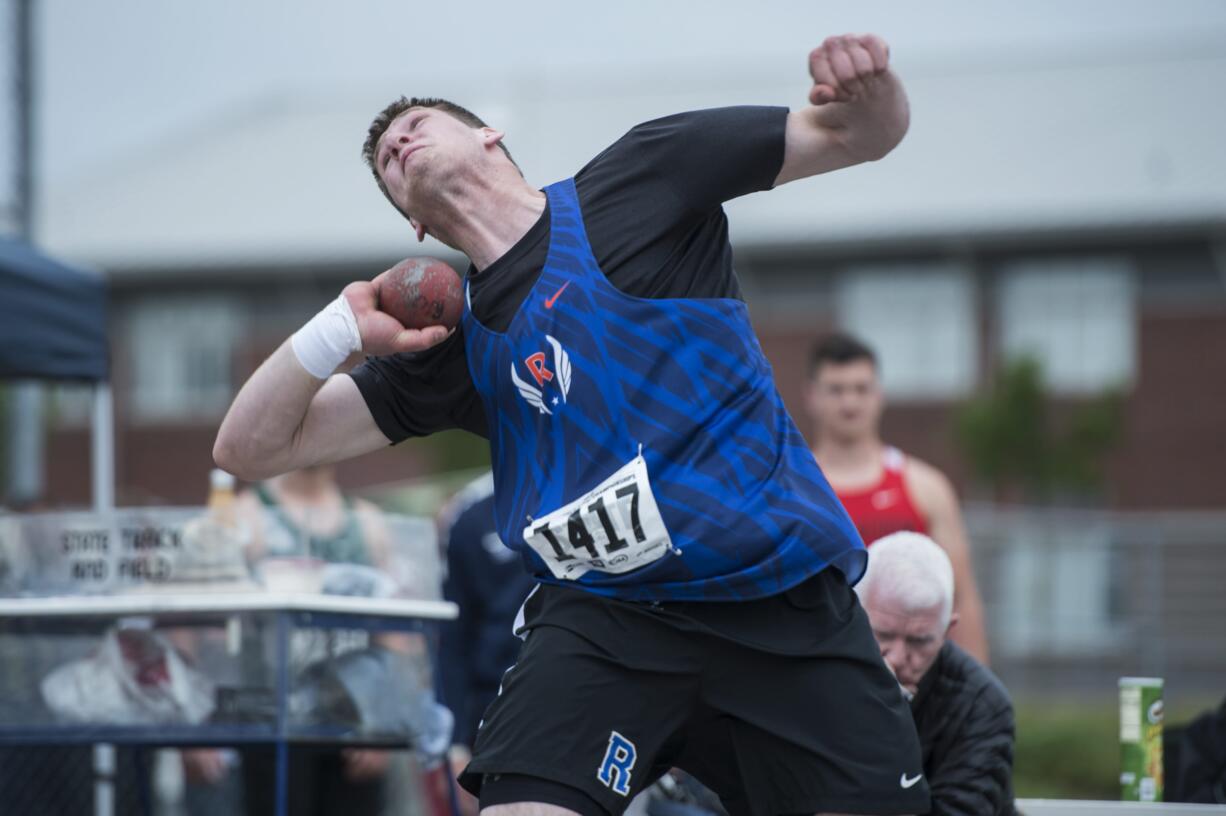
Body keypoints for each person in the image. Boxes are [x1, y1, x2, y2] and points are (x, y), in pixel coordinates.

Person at [216, 33, 926, 816]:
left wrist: (871, 86)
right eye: (386, 158)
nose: (399, 142)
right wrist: (338, 331)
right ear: (414, 227)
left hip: (776, 593)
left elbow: (858, 134)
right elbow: (249, 450)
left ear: (490, 134)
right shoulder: (451, 353)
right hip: (604, 624)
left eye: (416, 123)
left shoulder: (643, 177)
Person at [182, 465, 401, 816]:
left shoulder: (367, 522)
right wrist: (193, 726)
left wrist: (385, 723)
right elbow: (197, 623)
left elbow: (393, 631)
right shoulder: (244, 516)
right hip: (267, 722)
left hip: (353, 726)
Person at [806, 332, 991, 664]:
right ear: (812, 397)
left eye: (861, 389)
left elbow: (961, 597)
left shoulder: (926, 488)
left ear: (879, 395)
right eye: (836, 390)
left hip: (909, 675)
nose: (849, 402)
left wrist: (977, 694)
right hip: (822, 671)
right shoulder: (794, 490)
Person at [857, 532, 1015, 816]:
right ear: (854, 615)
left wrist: (887, 721)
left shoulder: (980, 703)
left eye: (919, 641)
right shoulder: (820, 683)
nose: (897, 657)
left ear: (947, 630)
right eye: (882, 635)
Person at [436, 471, 536, 815]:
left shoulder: (599, 485)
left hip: (589, 710)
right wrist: (453, 744)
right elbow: (453, 640)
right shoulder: (471, 515)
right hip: (496, 719)